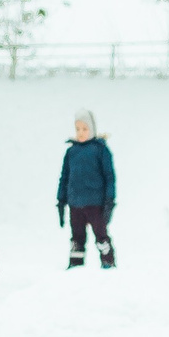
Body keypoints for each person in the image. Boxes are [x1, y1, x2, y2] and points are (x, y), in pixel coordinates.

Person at [57, 109, 118, 269]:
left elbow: (109, 177)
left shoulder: (100, 149)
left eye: (85, 129)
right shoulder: (71, 152)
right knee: (77, 238)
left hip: (95, 203)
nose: (81, 132)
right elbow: (64, 177)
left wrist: (109, 199)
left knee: (101, 235)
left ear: (92, 129)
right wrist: (61, 200)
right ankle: (75, 265)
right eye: (78, 129)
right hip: (75, 203)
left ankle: (108, 262)